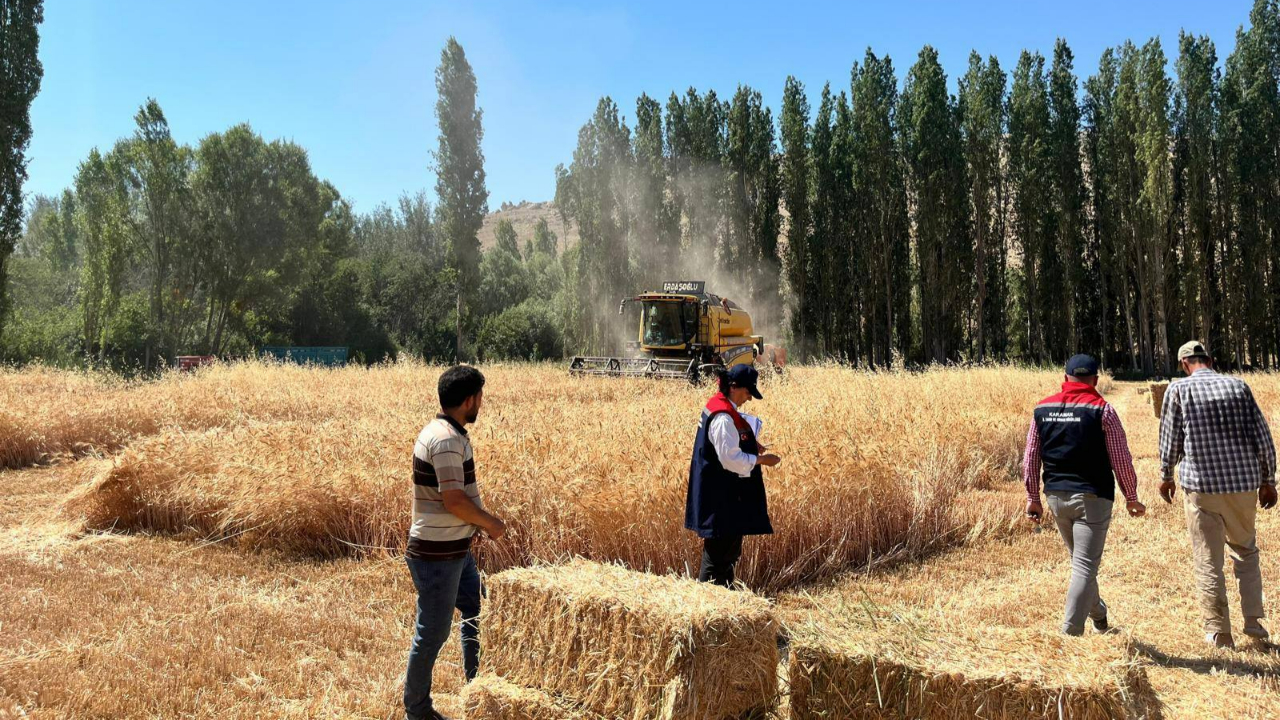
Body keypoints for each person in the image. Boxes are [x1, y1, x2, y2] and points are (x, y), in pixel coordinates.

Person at [1158, 340, 1278, 649]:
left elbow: (1170, 439)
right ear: (1210, 360)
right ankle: (1254, 623)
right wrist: (1269, 480)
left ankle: (1220, 632)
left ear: (1184, 364)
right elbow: (1263, 437)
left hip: (1202, 487)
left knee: (1208, 559)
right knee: (1246, 551)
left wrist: (1166, 475)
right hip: (1243, 485)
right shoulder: (1239, 387)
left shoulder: (1178, 390)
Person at [403, 365, 507, 720]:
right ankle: (417, 712)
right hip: (437, 555)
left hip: (454, 550)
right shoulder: (446, 440)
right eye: (480, 396)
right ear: (468, 401)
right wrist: (491, 524)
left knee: (477, 609)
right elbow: (454, 500)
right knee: (431, 633)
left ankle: (477, 688)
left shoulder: (448, 433)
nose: (482, 403)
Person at [1024, 354, 1146, 636]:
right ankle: (1069, 636)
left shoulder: (1042, 409)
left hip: (1056, 497)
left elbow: (1030, 457)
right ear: (1095, 380)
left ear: (1065, 378)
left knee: (1081, 563)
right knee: (1083, 567)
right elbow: (1120, 458)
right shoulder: (1103, 410)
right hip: (1092, 497)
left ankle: (1099, 614)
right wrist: (1131, 496)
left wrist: (1033, 497)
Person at [685, 363, 782, 588]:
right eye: (748, 392)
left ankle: (725, 595)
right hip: (720, 496)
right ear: (734, 387)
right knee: (717, 556)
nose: (749, 398)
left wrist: (750, 443)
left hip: (721, 493)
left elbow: (729, 441)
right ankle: (709, 600)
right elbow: (730, 459)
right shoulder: (723, 418)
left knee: (727, 553)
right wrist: (762, 460)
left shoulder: (720, 406)